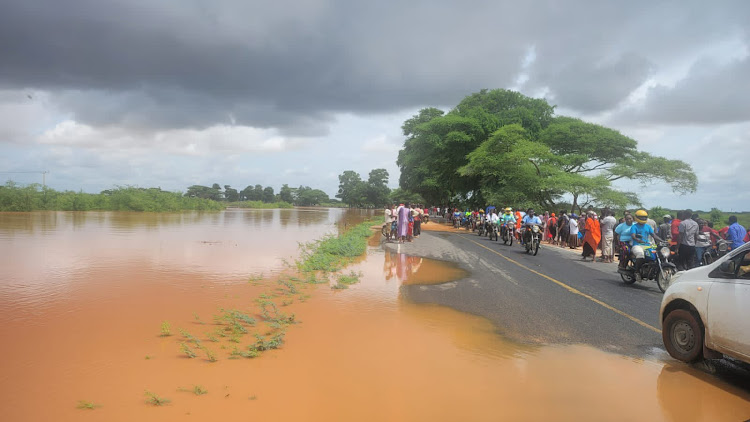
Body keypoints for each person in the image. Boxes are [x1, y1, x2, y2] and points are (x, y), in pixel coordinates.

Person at [630, 209, 664, 280]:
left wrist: (663, 241)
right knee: (640, 255)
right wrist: (637, 239)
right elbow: (633, 235)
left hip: (648, 245)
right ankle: (637, 272)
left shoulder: (648, 226)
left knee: (658, 253)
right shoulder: (634, 226)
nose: (643, 219)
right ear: (637, 217)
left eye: (644, 217)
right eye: (641, 217)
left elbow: (654, 235)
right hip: (637, 245)